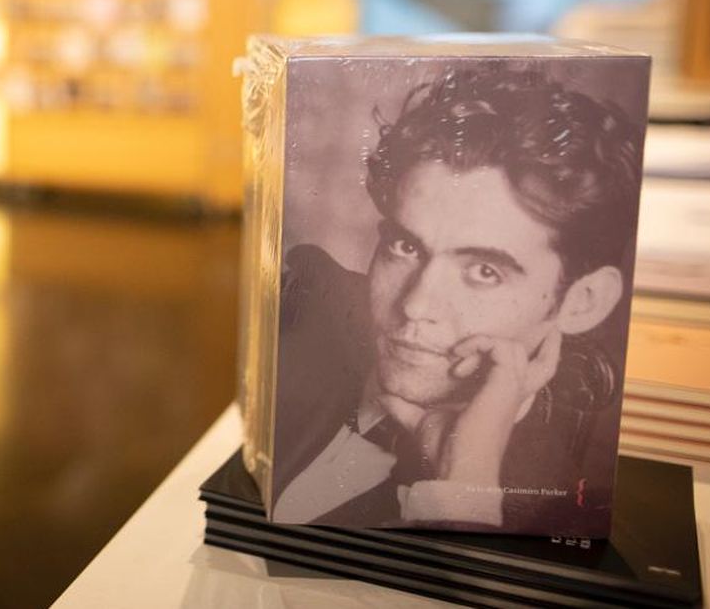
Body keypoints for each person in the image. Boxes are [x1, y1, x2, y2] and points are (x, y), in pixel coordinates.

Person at [270, 63, 642, 533]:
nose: (416, 306)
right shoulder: (300, 314)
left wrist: (464, 487)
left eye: (484, 271)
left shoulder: (558, 511)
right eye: (406, 247)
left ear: (582, 302)